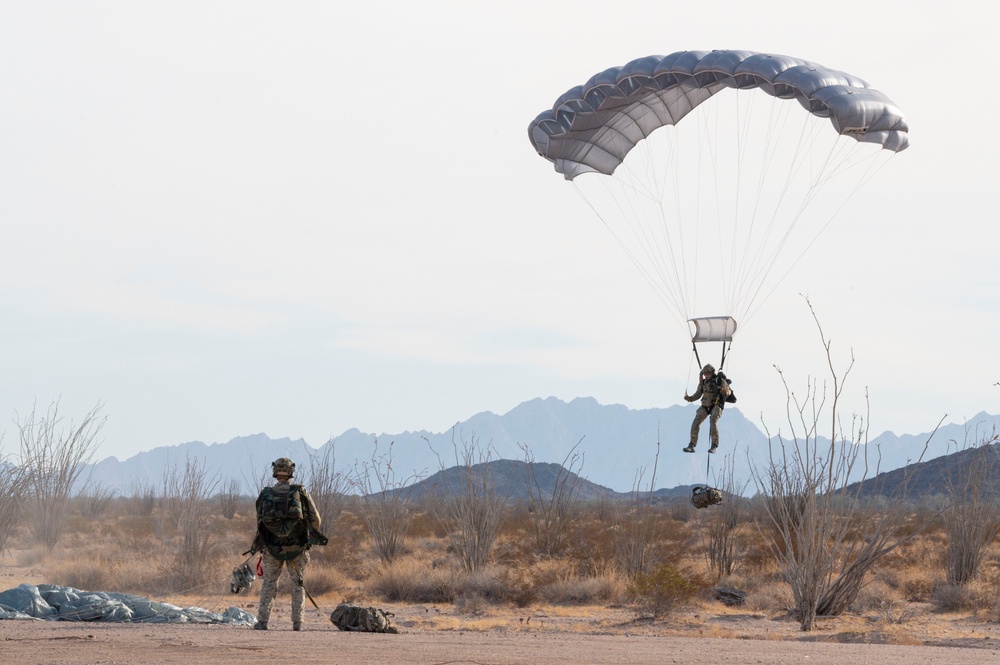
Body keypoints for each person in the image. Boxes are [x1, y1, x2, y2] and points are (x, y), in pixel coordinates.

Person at [252, 457, 322, 631]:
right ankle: (297, 623)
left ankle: (262, 622)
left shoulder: (266, 494)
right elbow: (316, 520)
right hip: (297, 547)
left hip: (272, 548)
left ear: (275, 472)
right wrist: (307, 537)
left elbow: (260, 523)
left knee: (269, 583)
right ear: (291, 472)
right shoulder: (300, 492)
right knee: (298, 583)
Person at [683, 364, 732, 454]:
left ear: (712, 373)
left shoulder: (719, 381)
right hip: (705, 406)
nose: (707, 376)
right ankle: (692, 444)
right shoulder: (703, 383)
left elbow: (728, 391)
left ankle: (714, 445)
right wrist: (690, 398)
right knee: (696, 422)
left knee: (713, 421)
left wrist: (724, 391)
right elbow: (698, 394)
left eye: (708, 374)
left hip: (716, 405)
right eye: (705, 374)